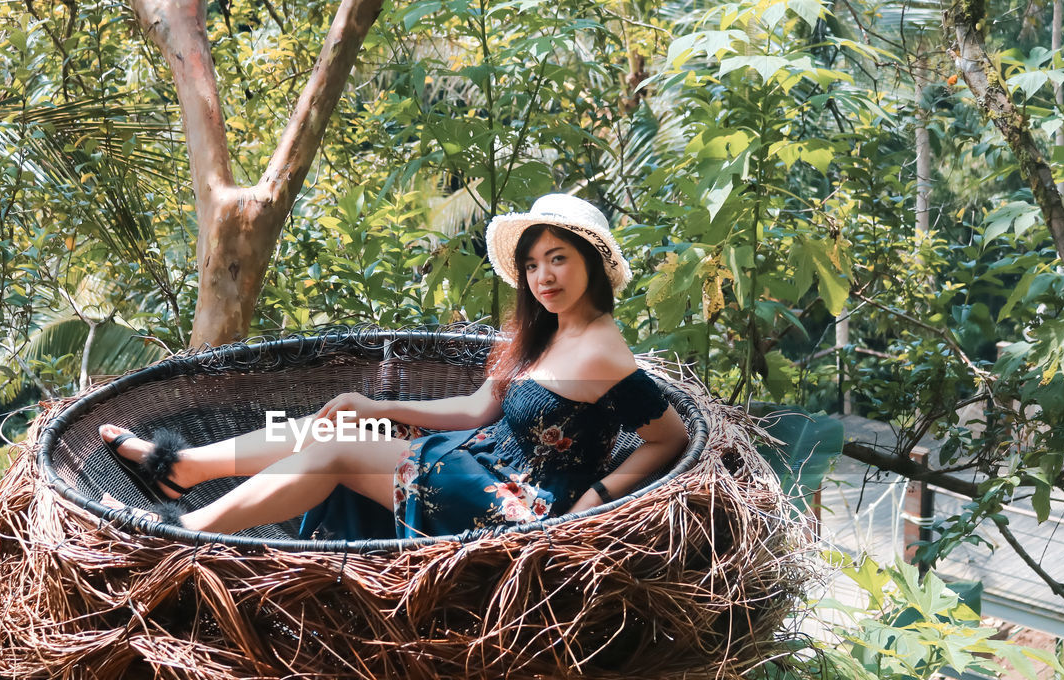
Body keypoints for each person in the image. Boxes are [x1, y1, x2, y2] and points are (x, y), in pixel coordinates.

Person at [99, 193, 689, 538]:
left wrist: (594, 500)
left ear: (591, 261)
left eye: (558, 260)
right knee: (344, 426)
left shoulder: (604, 351)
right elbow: (476, 408)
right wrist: (377, 407)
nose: (543, 278)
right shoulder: (543, 333)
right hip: (477, 456)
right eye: (533, 265)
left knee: (338, 451)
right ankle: (182, 467)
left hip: (521, 506)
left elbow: (669, 438)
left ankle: (186, 531)